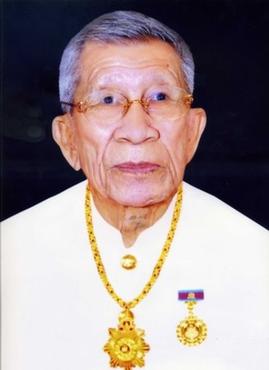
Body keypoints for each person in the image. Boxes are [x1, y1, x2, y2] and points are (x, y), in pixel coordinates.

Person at [2, 10, 268, 370]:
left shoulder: (257, 256)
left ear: (192, 131)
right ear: (68, 139)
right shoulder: (11, 251)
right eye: (107, 101)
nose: (138, 130)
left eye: (160, 97)